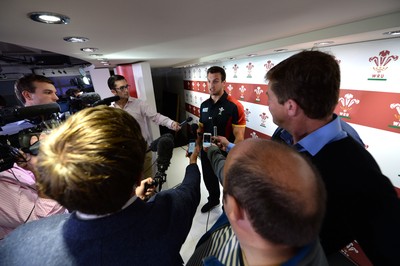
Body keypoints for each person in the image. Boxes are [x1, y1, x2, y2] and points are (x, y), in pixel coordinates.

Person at [0, 106, 201, 265]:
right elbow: (189, 188)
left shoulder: (19, 244)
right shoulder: (167, 213)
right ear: (139, 175)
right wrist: (192, 161)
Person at [265, 50, 400, 264]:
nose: (268, 105)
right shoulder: (285, 136)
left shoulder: (357, 171)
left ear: (290, 106)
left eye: (269, 98)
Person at [187, 138, 328, 265]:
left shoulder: (243, 196)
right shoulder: (302, 224)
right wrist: (214, 150)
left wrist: (193, 163)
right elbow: (224, 171)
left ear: (235, 210)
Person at [0, 74, 66, 239]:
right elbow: (40, 219)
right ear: (28, 95)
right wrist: (40, 170)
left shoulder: (58, 124)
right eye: (48, 92)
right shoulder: (10, 138)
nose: (55, 97)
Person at [107, 75, 181, 179]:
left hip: (143, 150)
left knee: (148, 182)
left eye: (126, 86)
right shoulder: (110, 111)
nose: (126, 90)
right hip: (125, 153)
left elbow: (156, 117)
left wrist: (171, 123)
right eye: (122, 88)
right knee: (131, 183)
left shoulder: (139, 103)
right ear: (113, 91)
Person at [197, 66, 246, 213]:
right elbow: (200, 131)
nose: (211, 85)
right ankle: (213, 200)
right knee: (208, 178)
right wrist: (195, 148)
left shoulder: (235, 106)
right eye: (209, 81)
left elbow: (240, 137)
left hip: (226, 154)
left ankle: (227, 207)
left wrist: (233, 154)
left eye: (216, 81)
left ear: (224, 82)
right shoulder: (204, 105)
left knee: (227, 183)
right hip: (207, 151)